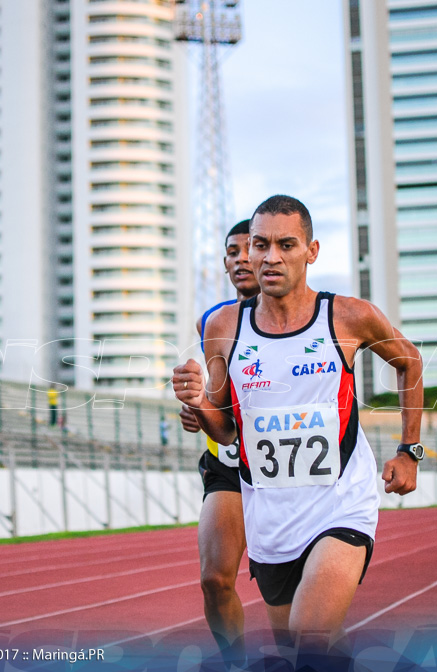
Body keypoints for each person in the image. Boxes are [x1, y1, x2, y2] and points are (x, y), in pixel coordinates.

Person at [173, 195, 423, 655]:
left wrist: (410, 450)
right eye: (260, 245)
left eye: (286, 245)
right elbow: (227, 431)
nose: (270, 257)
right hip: (270, 512)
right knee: (297, 649)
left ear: (312, 251)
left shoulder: (349, 316)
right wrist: (195, 401)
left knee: (309, 641)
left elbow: (410, 362)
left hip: (341, 501)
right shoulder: (224, 327)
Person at [179, 219, 259, 668]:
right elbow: (218, 402)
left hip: (289, 469)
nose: (241, 259)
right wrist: (196, 409)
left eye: (252, 248)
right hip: (228, 462)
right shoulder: (212, 321)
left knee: (288, 588)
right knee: (214, 580)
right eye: (233, 251)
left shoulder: (305, 320)